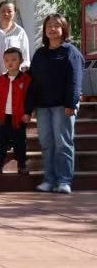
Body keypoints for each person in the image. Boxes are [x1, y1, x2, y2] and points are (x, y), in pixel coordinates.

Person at [28, 14, 84, 194]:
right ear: (45, 30)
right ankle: (49, 180)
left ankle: (64, 180)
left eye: (56, 26)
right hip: (43, 106)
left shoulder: (71, 52)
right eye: (49, 26)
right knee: (46, 143)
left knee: (63, 144)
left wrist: (71, 103)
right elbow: (33, 81)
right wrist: (30, 107)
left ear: (64, 29)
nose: (52, 29)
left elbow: (75, 80)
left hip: (63, 106)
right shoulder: (40, 54)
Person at [0, 48, 31, 176]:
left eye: (14, 59)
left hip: (19, 117)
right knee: (1, 143)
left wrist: (28, 112)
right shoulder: (0, 79)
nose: (10, 62)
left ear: (21, 61)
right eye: (7, 60)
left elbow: (29, 98)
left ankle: (22, 165)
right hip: (2, 116)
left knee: (19, 143)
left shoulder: (26, 79)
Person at [0, 0, 31, 75]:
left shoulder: (20, 32)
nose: (6, 14)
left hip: (13, 78)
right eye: (3, 11)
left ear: (14, 13)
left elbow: (25, 59)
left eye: (9, 11)